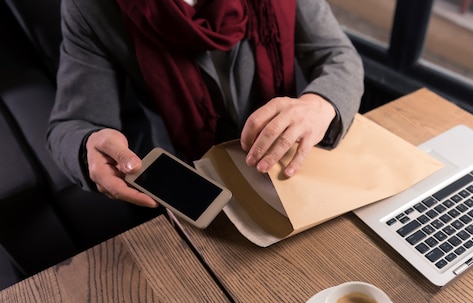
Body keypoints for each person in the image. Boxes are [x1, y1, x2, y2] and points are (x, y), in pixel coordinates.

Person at [47, 0, 364, 209]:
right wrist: (86, 147)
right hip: (185, 184)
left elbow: (338, 56)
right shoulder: (89, 6)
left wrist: (320, 103)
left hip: (288, 171)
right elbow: (71, 125)